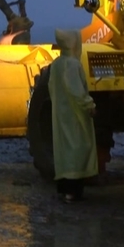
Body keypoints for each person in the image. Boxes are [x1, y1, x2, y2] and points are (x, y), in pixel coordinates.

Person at [50, 29, 98, 203]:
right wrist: (89, 105)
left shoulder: (56, 64)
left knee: (63, 151)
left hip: (61, 114)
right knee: (77, 150)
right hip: (75, 115)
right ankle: (72, 192)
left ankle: (64, 190)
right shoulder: (72, 64)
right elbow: (77, 90)